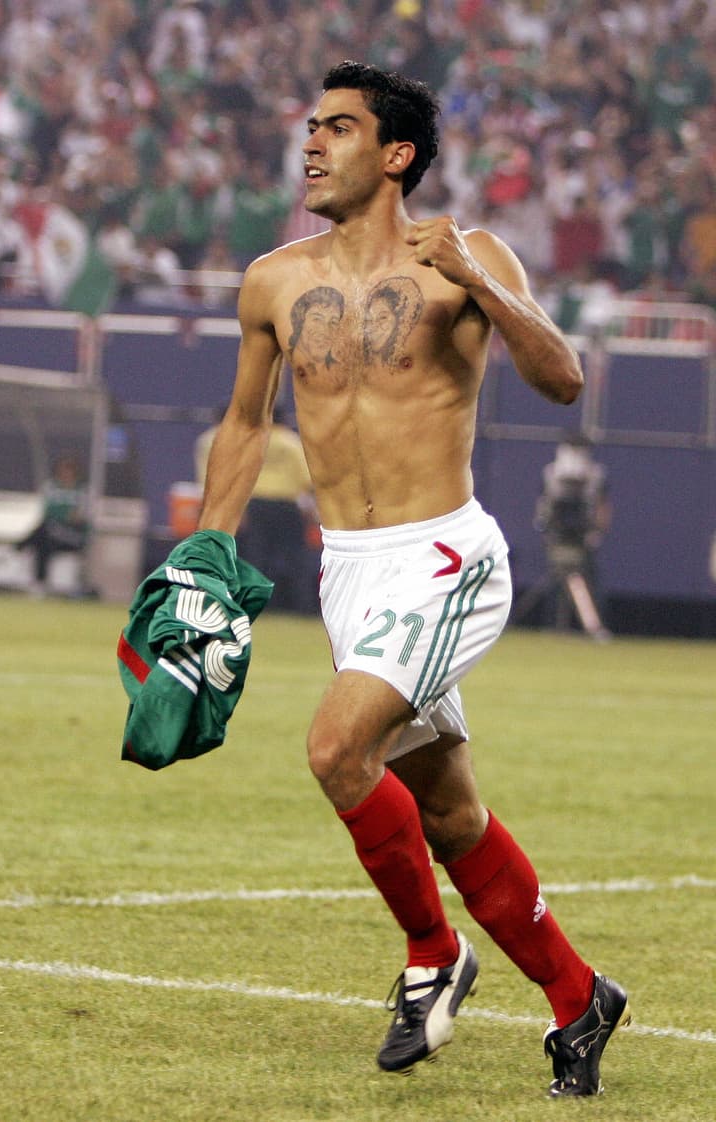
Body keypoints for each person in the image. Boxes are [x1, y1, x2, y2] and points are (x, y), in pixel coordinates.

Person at [195, 62, 628, 1097]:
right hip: (350, 572)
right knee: (448, 816)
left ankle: (432, 956)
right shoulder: (271, 280)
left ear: (394, 156)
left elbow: (562, 377)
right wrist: (200, 559)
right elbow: (247, 423)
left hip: (444, 558)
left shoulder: (466, 253)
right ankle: (578, 1000)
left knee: (336, 748)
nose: (309, 142)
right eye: (309, 126)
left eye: (335, 128)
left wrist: (480, 284)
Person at [195, 405, 317, 613]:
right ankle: (302, 606)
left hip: (254, 504)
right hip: (287, 506)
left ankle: (253, 603)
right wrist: (310, 510)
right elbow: (307, 480)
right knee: (296, 558)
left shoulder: (247, 439)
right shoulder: (291, 442)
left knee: (255, 557)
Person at [514, 432, 612, 640]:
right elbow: (545, 504)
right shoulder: (552, 474)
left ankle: (592, 625)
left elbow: (601, 506)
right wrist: (546, 528)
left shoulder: (595, 475)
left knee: (585, 581)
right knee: (557, 583)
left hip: (582, 536)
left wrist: (596, 531)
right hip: (559, 536)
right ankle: (556, 625)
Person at [16, 454, 90, 595]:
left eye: (69, 470)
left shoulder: (83, 491)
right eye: (62, 470)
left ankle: (19, 546)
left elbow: (77, 518)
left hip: (74, 536)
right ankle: (40, 585)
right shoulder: (51, 487)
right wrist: (63, 514)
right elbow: (48, 511)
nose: (65, 473)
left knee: (45, 530)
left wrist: (61, 515)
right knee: (44, 544)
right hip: (51, 534)